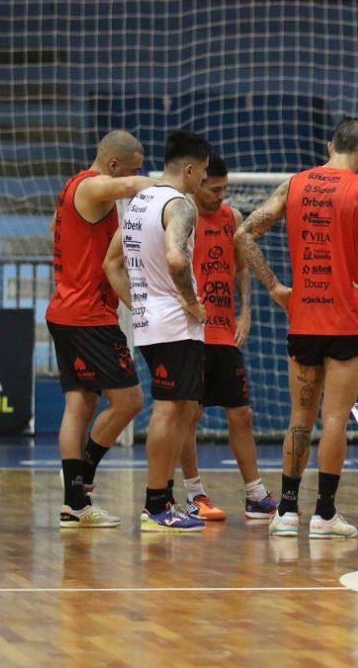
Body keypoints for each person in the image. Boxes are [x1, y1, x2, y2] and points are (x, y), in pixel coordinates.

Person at [234, 117, 358, 540]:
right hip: (347, 319)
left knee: (301, 417)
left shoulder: (293, 185)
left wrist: (277, 288)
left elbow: (243, 234)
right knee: (335, 419)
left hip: (304, 318)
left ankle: (286, 511)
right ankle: (325, 514)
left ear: (330, 143)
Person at [104, 129, 211, 533]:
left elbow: (111, 264)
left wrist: (140, 306)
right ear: (189, 169)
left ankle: (163, 499)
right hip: (175, 325)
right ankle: (155, 506)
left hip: (154, 322)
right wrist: (188, 302)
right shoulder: (180, 205)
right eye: (202, 173)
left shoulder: (137, 202)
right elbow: (176, 259)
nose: (203, 180)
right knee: (170, 412)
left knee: (183, 410)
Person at [48, 130, 149, 528]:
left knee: (82, 404)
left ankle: (75, 499)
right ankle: (82, 475)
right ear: (112, 165)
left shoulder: (77, 193)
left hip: (69, 312)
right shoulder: (91, 187)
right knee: (130, 401)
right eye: (134, 168)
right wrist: (171, 188)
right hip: (87, 318)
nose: (136, 176)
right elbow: (131, 185)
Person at [176, 152, 278, 521]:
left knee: (242, 414)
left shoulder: (231, 217)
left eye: (224, 189)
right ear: (197, 182)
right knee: (189, 414)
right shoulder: (179, 214)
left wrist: (245, 311)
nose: (221, 196)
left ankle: (255, 494)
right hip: (189, 331)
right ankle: (194, 493)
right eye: (214, 189)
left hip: (222, 329)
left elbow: (241, 269)